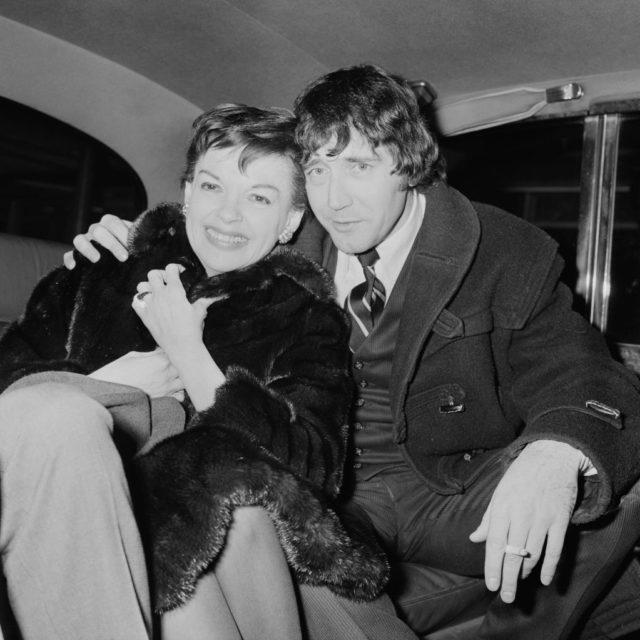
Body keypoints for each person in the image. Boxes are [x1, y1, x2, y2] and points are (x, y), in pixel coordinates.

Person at [73, 64, 640, 640]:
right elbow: (218, 229)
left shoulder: (502, 250)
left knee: (610, 489)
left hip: (451, 486)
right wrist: (124, 246)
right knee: (282, 530)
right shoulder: (288, 237)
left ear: (409, 166)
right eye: (317, 170)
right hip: (334, 490)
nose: (335, 199)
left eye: (360, 167)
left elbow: (578, 368)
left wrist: (555, 453)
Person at [0, 103, 403, 640]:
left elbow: (316, 468)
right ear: (187, 194)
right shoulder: (103, 266)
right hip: (80, 521)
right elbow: (12, 409)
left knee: (225, 514)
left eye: (259, 198)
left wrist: (190, 355)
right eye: (212, 188)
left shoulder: (305, 317)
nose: (228, 216)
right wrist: (117, 386)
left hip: (241, 544)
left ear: (289, 222)